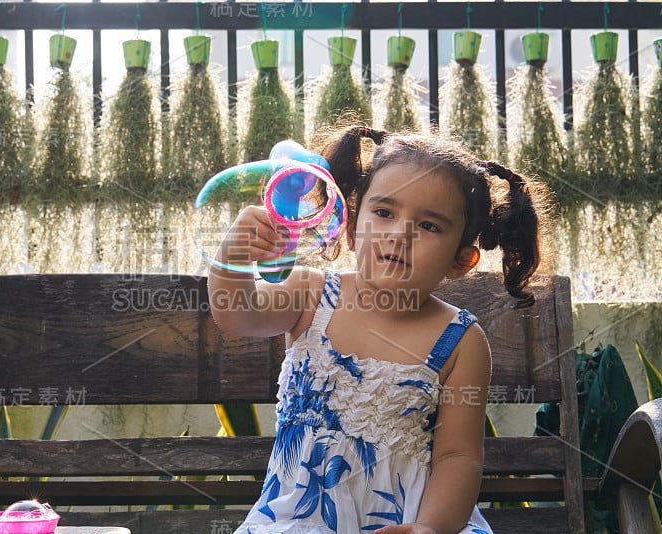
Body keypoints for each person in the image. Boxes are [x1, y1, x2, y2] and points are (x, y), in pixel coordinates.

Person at [207, 126, 549, 534]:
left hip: (409, 522)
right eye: (384, 213)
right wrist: (232, 257)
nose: (400, 233)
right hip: (298, 520)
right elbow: (237, 314)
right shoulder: (309, 295)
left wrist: (431, 528)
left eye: (429, 225)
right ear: (350, 227)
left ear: (462, 260)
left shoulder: (460, 341)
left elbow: (457, 457)